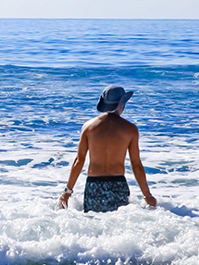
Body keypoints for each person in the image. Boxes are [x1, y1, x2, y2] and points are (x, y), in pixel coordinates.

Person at [59, 84, 157, 212]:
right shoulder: (130, 129)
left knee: (92, 224)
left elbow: (79, 161)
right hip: (117, 184)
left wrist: (67, 192)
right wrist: (147, 195)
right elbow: (136, 164)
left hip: (93, 185)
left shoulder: (88, 127)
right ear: (121, 104)